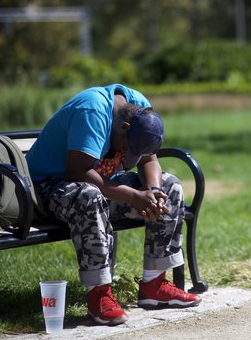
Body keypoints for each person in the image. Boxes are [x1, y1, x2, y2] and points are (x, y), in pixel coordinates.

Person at [26, 84, 202, 325]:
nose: (127, 155)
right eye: (128, 148)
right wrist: (133, 196)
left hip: (96, 184)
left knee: (170, 186)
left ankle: (155, 283)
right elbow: (79, 172)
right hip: (48, 188)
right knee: (88, 195)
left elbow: (149, 160)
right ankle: (99, 294)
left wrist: (153, 191)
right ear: (124, 127)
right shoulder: (93, 111)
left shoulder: (139, 107)